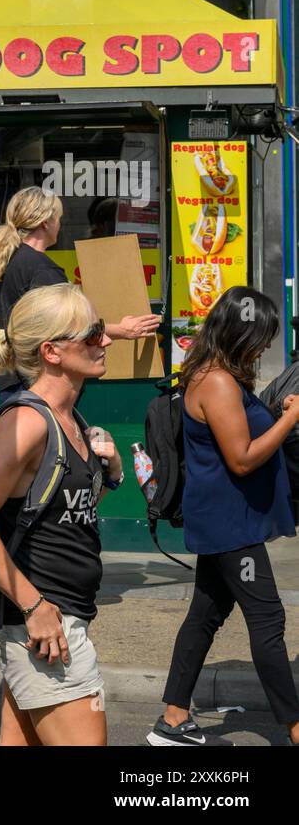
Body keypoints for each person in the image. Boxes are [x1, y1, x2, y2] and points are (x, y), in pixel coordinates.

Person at [0, 283, 120, 746]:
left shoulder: (73, 420)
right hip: (43, 625)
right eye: (92, 333)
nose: (105, 341)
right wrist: (35, 606)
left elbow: (57, 515)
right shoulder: (27, 423)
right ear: (51, 350)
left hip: (56, 620)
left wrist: (107, 478)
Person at [149, 287, 299, 747]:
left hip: (225, 522)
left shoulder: (217, 374)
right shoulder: (216, 381)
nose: (267, 346)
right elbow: (242, 458)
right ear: (241, 333)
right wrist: (291, 420)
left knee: (205, 615)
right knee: (268, 620)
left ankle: (173, 721)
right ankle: (295, 726)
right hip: (232, 528)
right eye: (263, 336)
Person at [0, 186, 159, 400]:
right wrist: (123, 330)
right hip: (39, 381)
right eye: (58, 218)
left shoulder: (13, 260)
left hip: (16, 378)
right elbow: (68, 327)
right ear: (46, 222)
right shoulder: (42, 268)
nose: (60, 224)